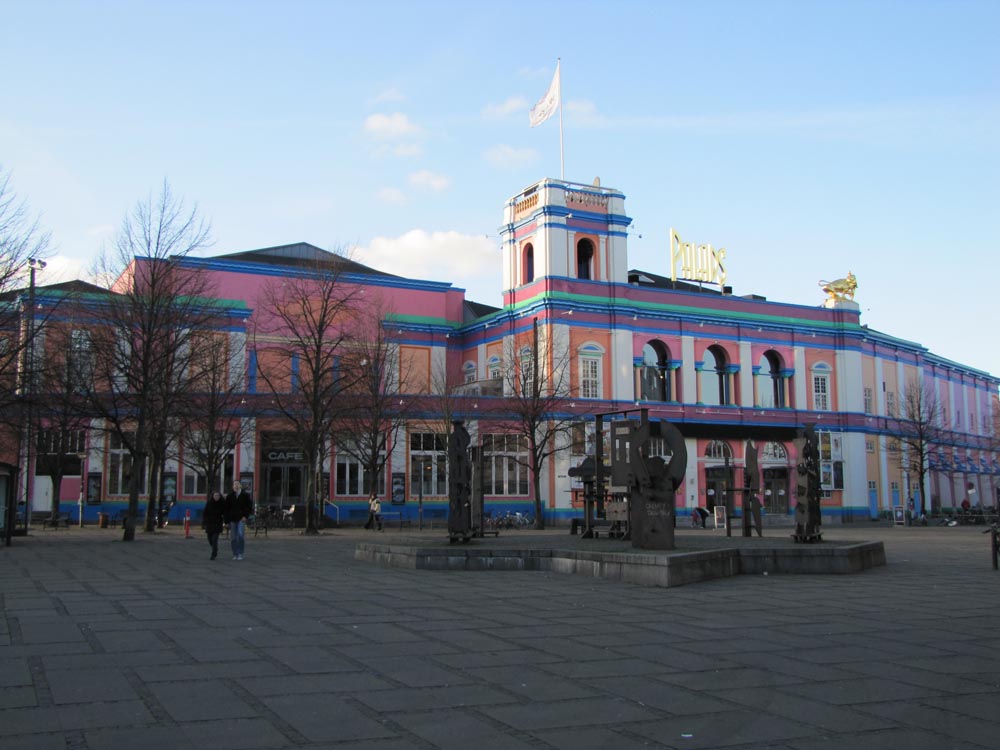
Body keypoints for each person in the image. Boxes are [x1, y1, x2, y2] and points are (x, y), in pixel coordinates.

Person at [225, 481, 253, 560]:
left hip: (241, 518)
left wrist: (245, 516)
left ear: (240, 486)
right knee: (233, 537)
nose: (236, 486)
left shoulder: (245, 496)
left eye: (237, 484)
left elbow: (249, 507)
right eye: (234, 485)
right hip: (232, 519)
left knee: (240, 535)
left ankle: (240, 553)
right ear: (232, 487)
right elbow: (226, 509)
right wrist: (226, 521)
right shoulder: (229, 496)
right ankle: (235, 553)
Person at [202, 491, 226, 560]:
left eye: (218, 496)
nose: (216, 497)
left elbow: (225, 513)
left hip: (217, 523)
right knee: (209, 539)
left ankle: (214, 553)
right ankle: (214, 547)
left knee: (215, 539)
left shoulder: (222, 503)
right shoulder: (209, 503)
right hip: (209, 523)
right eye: (215, 495)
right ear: (213, 496)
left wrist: (226, 521)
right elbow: (205, 513)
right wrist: (204, 522)